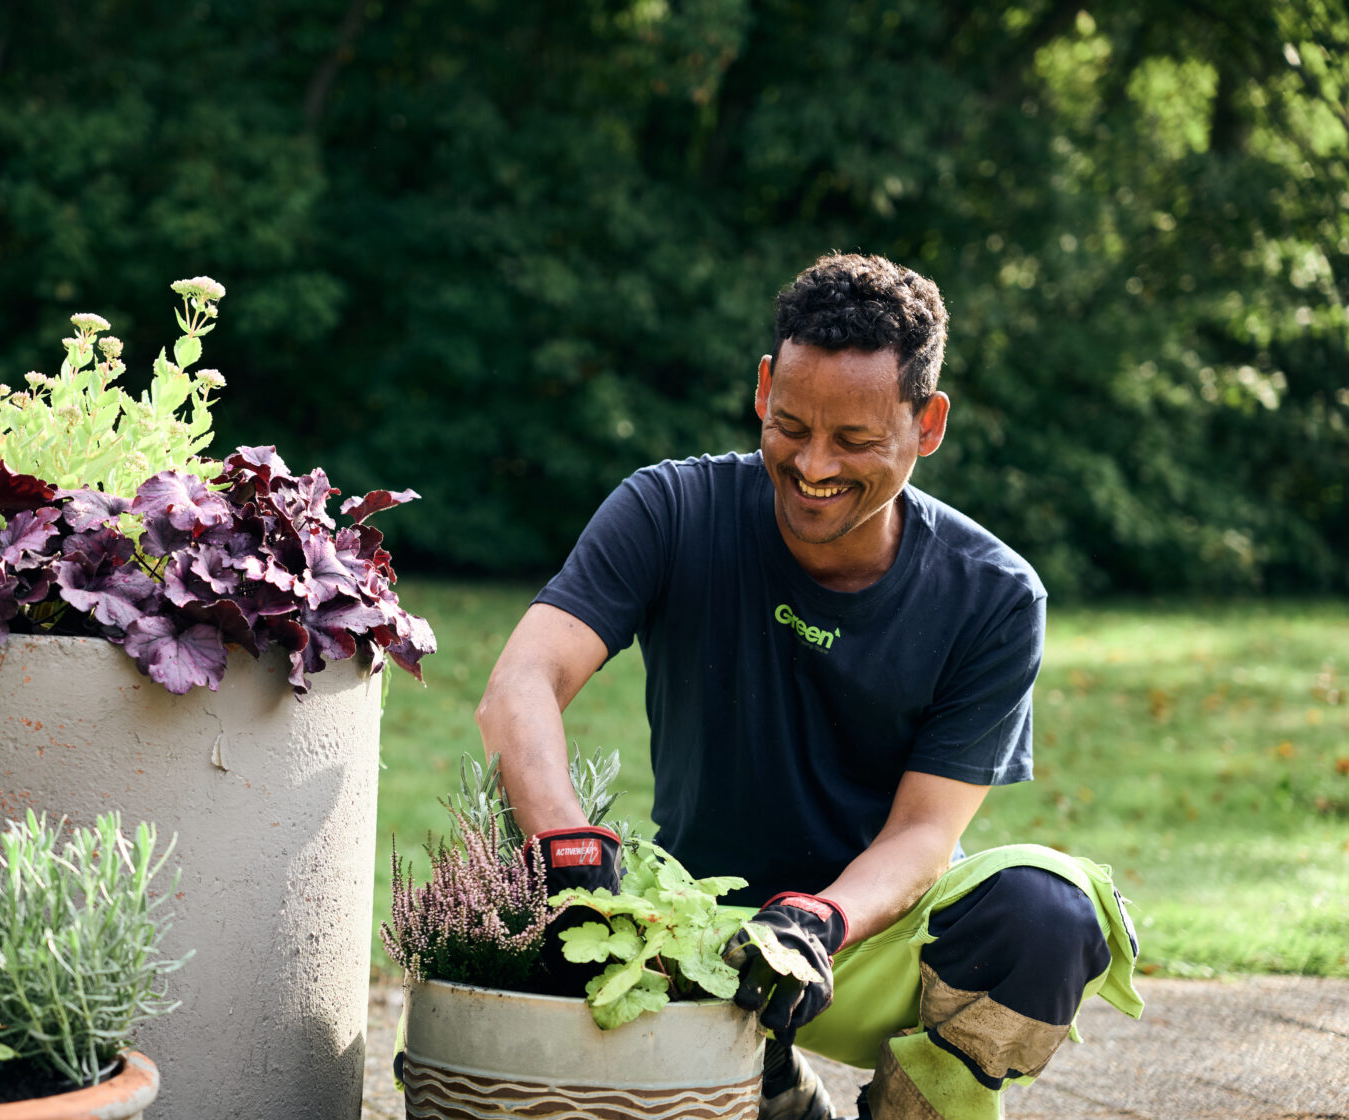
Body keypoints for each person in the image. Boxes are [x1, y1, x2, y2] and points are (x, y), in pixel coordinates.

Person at [477, 253, 1141, 1120]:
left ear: (928, 423)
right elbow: (521, 681)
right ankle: (769, 1083)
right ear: (762, 389)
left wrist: (818, 921)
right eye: (790, 425)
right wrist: (565, 844)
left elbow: (924, 835)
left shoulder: (994, 594)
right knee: (506, 924)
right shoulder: (670, 511)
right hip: (689, 931)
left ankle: (910, 1109)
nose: (814, 465)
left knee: (1048, 912)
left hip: (865, 936)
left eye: (856, 441)